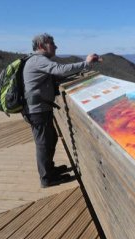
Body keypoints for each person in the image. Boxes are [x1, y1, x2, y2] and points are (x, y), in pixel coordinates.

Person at [22, 33, 101, 188]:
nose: (56, 46)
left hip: (39, 108)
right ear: (41, 46)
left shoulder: (35, 60)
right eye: (52, 43)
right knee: (43, 143)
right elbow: (60, 70)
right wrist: (85, 63)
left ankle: (50, 170)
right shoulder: (38, 60)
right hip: (37, 110)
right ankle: (46, 178)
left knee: (50, 139)